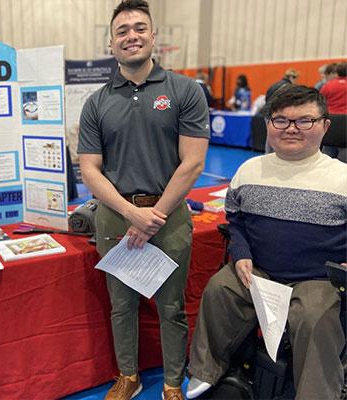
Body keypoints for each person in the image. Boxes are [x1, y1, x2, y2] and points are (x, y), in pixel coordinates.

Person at [78, 1, 210, 399]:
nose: (130, 36)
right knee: (122, 306)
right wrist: (132, 212)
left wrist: (154, 214)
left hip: (167, 217)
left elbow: (193, 162)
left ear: (153, 37)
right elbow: (89, 169)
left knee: (171, 307)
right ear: (111, 43)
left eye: (139, 28)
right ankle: (129, 377)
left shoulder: (185, 91)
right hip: (116, 217)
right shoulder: (97, 102)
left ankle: (172, 383)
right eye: (122, 31)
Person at [186, 85, 346, 400]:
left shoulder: (342, 177)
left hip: (317, 278)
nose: (292, 129)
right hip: (257, 270)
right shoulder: (248, 171)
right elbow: (235, 220)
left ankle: (316, 395)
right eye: (281, 120)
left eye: (304, 121)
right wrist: (241, 253)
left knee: (317, 318)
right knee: (220, 289)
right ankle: (205, 371)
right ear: (269, 125)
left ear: (325, 126)